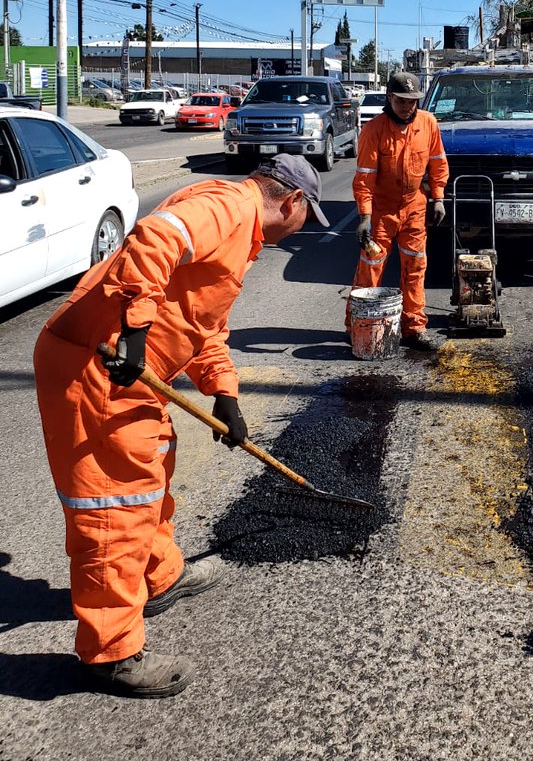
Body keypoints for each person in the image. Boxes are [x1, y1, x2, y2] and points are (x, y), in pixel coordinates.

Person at [32, 153, 329, 698]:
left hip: (130, 367)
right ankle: (110, 652)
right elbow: (151, 240)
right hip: (97, 365)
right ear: (291, 201)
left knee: (151, 476)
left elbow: (202, 322)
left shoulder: (238, 229)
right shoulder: (228, 208)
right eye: (307, 214)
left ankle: (158, 576)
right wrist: (136, 332)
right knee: (114, 505)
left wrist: (226, 394)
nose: (305, 225)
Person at [347, 70, 449, 350]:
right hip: (382, 210)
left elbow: (438, 163)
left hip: (414, 206)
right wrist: (365, 216)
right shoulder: (374, 129)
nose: (408, 107)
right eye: (402, 101)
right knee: (371, 269)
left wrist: (438, 197)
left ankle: (414, 328)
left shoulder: (428, 123)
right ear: (390, 97)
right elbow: (365, 176)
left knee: (415, 267)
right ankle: (357, 325)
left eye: (413, 101)